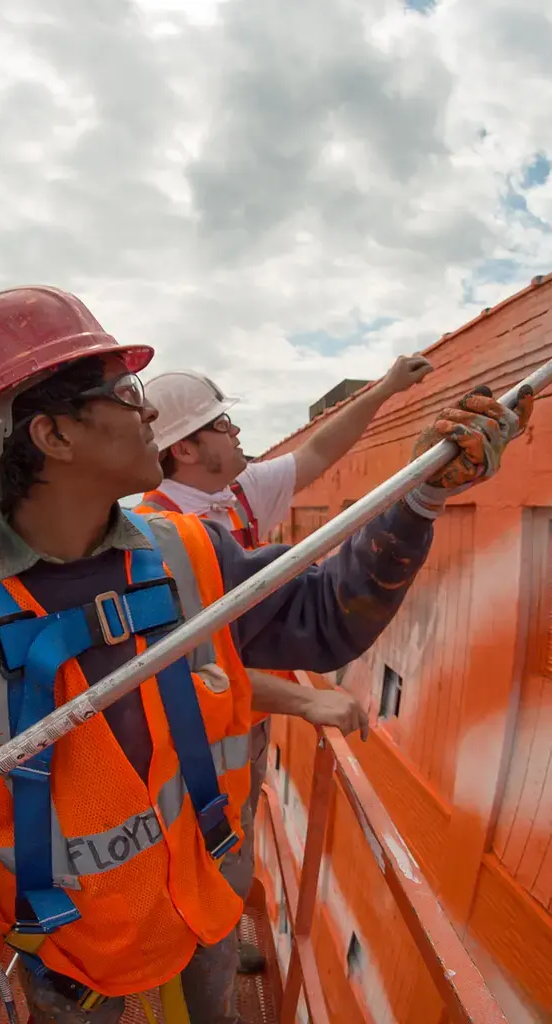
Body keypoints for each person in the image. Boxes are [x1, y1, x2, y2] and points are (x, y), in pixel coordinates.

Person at [0, 286, 534, 1024]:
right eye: (126, 391)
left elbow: (325, 620)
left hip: (201, 909)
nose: (149, 413)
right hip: (74, 959)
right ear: (51, 435)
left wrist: (421, 498)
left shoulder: (189, 553)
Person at [138, 357, 432, 974]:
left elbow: (322, 449)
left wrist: (389, 387)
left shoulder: (233, 495)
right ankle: (190, 955)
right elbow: (191, 672)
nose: (237, 433)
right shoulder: (161, 535)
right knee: (195, 838)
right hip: (202, 724)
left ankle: (215, 933)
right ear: (186, 447)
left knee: (234, 829)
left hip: (244, 712)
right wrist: (302, 699)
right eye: (222, 425)